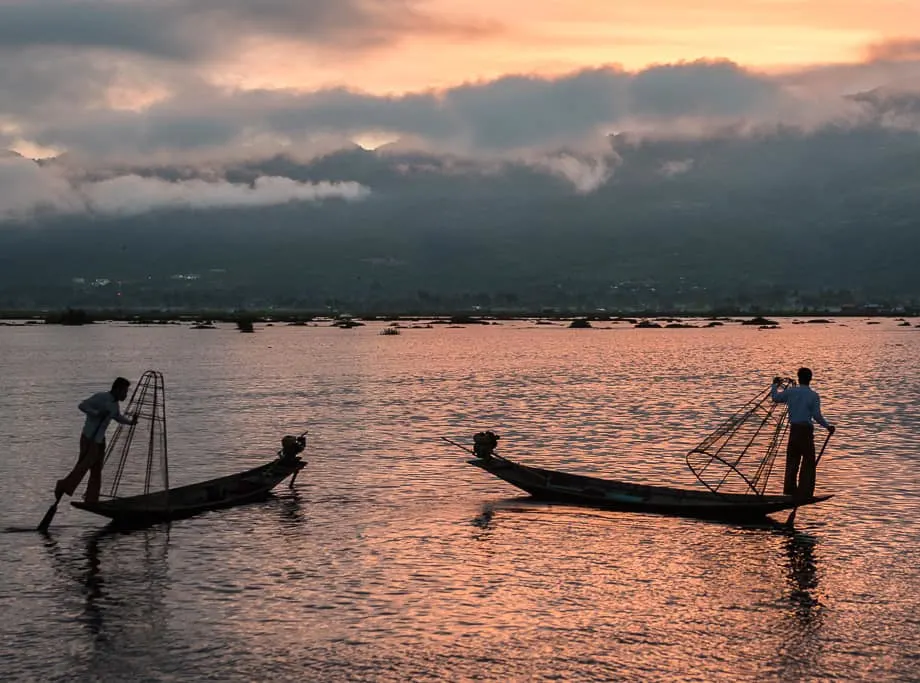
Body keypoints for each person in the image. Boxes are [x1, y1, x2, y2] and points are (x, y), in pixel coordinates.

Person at [54, 377, 137, 503]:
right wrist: (96, 413)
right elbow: (82, 406)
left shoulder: (115, 404)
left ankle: (92, 498)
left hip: (99, 440)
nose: (125, 394)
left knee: (97, 471)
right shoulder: (101, 397)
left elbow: (117, 417)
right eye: (124, 391)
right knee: (83, 466)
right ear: (117, 389)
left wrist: (131, 422)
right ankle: (64, 485)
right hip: (89, 437)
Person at [770, 368, 836, 499]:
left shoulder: (791, 392)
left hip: (794, 431)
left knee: (792, 461)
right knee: (808, 462)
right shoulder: (813, 395)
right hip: (805, 431)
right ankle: (804, 492)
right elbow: (816, 415)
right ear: (810, 379)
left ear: (799, 378)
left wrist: (774, 385)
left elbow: (775, 398)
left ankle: (790, 491)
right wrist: (827, 426)